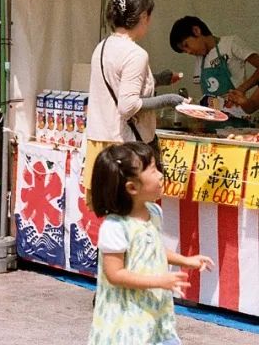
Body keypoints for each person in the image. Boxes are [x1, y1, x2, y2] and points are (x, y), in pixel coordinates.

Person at [87, 142, 213, 345]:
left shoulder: (154, 213)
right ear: (132, 187)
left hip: (152, 313)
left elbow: (152, 249)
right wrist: (159, 281)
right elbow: (114, 274)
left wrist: (186, 260)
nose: (161, 175)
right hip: (125, 321)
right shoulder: (115, 227)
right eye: (153, 170)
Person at [85, 0, 184, 189]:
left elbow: (118, 83)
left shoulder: (102, 46)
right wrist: (170, 100)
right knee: (133, 210)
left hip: (101, 143)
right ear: (143, 16)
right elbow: (128, 105)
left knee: (110, 209)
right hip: (127, 147)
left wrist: (158, 79)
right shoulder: (135, 53)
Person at [169, 15, 259, 118]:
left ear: (196, 30)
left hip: (239, 116)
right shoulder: (200, 59)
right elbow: (208, 96)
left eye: (186, 45)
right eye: (185, 51)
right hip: (213, 118)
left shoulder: (230, 44)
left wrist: (241, 89)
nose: (189, 52)